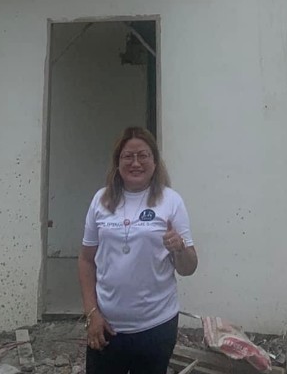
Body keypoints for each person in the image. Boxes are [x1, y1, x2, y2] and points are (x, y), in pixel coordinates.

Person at [78, 127, 198, 374]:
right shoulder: (101, 200)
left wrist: (179, 248)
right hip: (106, 326)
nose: (135, 163)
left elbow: (189, 268)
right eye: (128, 156)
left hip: (156, 327)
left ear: (154, 161)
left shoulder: (171, 201)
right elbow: (86, 260)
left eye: (143, 155)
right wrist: (91, 313)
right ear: (117, 162)